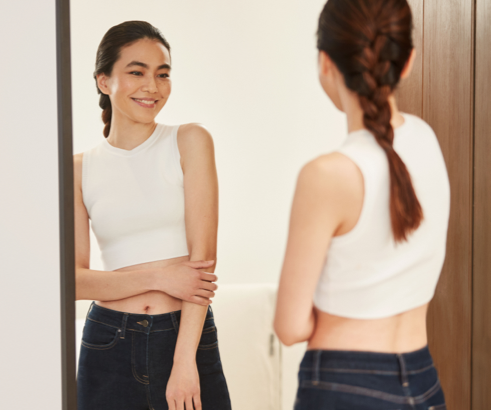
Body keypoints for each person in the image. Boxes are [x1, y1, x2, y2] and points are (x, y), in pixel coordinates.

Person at [273, 0, 450, 408]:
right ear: (407, 62)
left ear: (325, 63)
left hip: (345, 385)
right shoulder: (426, 139)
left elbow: (290, 326)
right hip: (423, 382)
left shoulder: (328, 174)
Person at [74, 21, 231, 410]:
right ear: (103, 81)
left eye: (163, 74)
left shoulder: (190, 141)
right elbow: (73, 283)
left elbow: (203, 262)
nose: (153, 87)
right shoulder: (77, 169)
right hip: (107, 343)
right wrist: (159, 276)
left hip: (184, 337)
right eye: (136, 72)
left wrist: (183, 362)